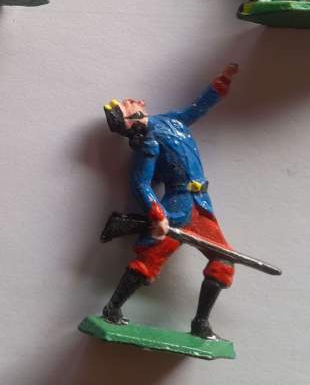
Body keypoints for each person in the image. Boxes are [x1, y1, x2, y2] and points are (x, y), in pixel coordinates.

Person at [101, 64, 238, 339]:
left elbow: (196, 109)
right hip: (177, 209)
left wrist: (220, 85)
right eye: (127, 107)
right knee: (148, 261)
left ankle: (200, 324)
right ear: (131, 121)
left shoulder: (171, 120)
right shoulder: (148, 144)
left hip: (201, 206)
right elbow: (141, 184)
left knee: (223, 261)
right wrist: (158, 215)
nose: (132, 102)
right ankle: (112, 309)